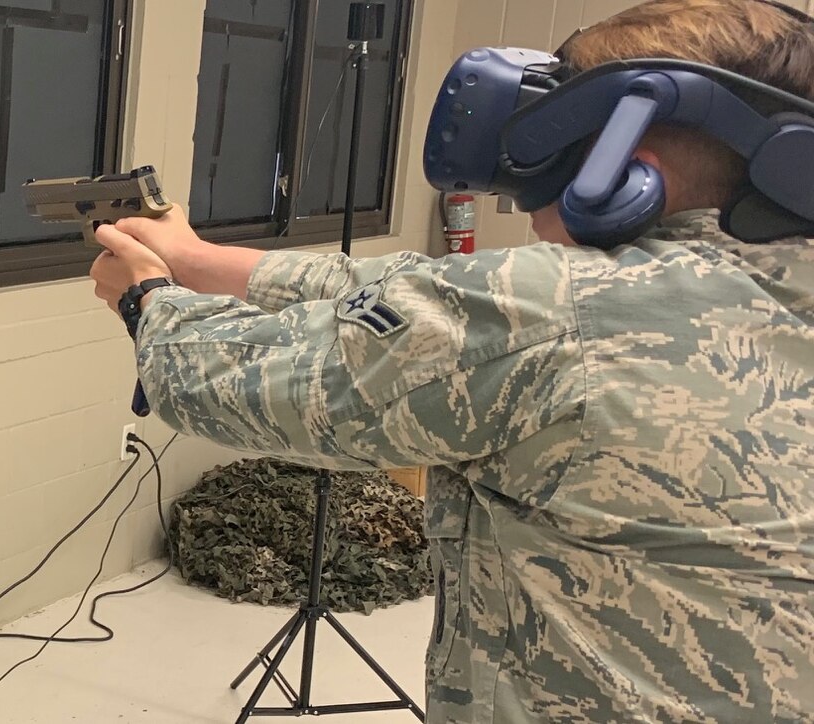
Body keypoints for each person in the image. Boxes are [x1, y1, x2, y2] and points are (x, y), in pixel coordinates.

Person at [88, 1, 813, 721]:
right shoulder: (771, 284)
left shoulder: (558, 309)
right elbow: (409, 300)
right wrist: (197, 260)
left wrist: (148, 299)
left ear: (628, 165)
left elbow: (217, 383)